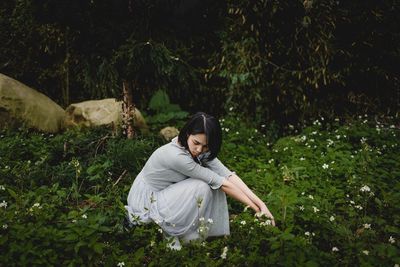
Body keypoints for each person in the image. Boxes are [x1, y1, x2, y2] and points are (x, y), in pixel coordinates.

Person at [125, 112, 275, 250]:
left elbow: (228, 176)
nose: (199, 150)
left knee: (213, 183)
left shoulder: (198, 149)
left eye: (205, 146)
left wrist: (262, 205)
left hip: (166, 193)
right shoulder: (177, 156)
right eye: (196, 142)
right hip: (146, 200)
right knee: (203, 186)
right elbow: (223, 184)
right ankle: (174, 233)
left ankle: (187, 234)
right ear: (188, 133)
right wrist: (256, 209)